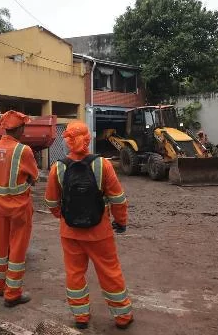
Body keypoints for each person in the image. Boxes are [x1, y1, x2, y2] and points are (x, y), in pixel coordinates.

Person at [44, 121, 133, 330]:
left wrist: (64, 217)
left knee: (74, 273)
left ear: (66, 142)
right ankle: (122, 317)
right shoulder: (103, 165)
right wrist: (121, 222)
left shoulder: (58, 168)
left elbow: (50, 202)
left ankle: (81, 317)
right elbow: (118, 199)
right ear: (88, 139)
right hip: (100, 232)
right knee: (110, 272)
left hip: (70, 233)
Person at [0, 110, 39, 307]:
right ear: (18, 129)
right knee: (17, 250)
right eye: (23, 127)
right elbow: (34, 177)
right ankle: (12, 294)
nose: (25, 131)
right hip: (19, 207)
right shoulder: (23, 150)